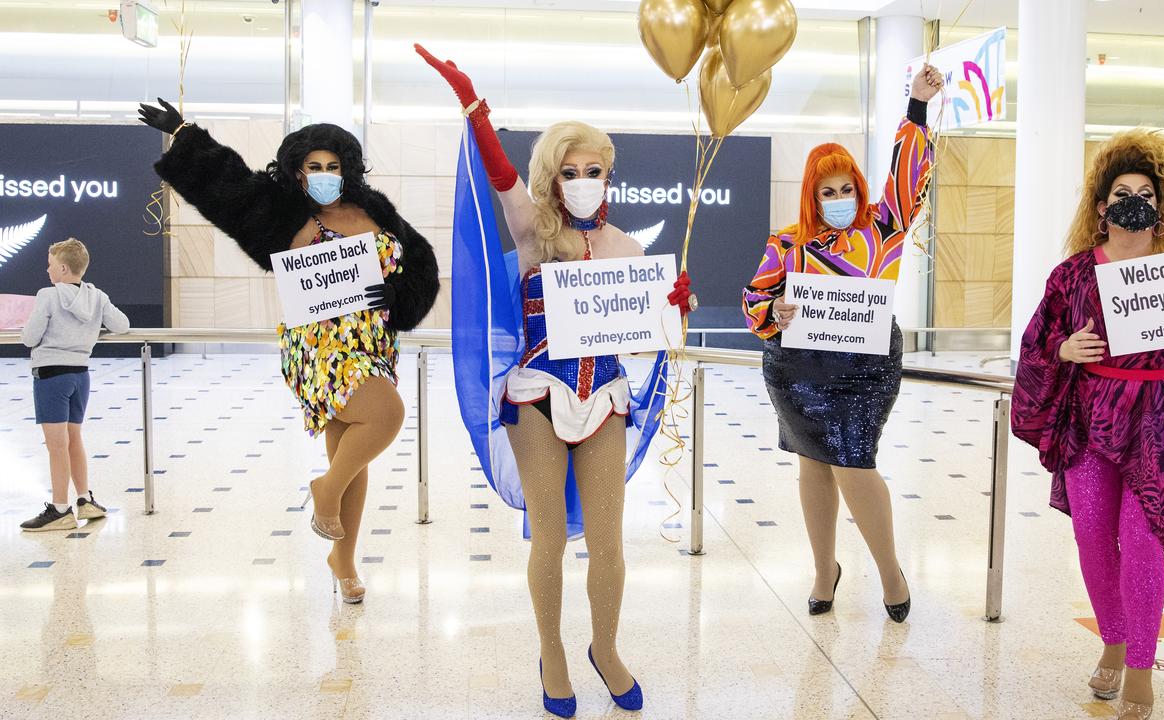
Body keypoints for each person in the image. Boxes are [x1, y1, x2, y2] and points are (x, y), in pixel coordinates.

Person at [416, 44, 693, 718]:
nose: (583, 179)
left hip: (605, 399)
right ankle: (554, 652)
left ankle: (605, 646)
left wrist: (671, 307)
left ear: (609, 174)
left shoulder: (629, 249)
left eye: (593, 169)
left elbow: (655, 337)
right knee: (547, 537)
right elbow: (502, 175)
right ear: (553, 177)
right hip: (537, 396)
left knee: (608, 542)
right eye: (570, 171)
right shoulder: (534, 233)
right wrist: (474, 106)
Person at [138, 99, 440, 604]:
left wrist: (400, 295)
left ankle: (342, 559)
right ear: (297, 172)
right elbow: (226, 186)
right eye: (313, 167)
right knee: (385, 414)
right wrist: (183, 131)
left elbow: (417, 263)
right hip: (320, 343)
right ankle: (324, 490)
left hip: (373, 340)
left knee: (353, 453)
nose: (324, 175)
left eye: (332, 166)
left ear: (347, 167)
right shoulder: (284, 214)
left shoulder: (375, 209)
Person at [1011, 129, 1164, 720]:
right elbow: (1038, 346)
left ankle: (1140, 668)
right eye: (1122, 192)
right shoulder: (1072, 276)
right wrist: (1065, 351)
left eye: (1146, 193)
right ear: (1101, 207)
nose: (1133, 202)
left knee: (1143, 545)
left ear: (1161, 208)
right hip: (1093, 420)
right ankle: (1113, 642)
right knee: (1093, 536)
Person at [741, 65, 941, 622]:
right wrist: (775, 312)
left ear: (857, 187)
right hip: (798, 369)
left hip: (866, 366)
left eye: (845, 188)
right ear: (812, 194)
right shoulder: (787, 242)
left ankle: (890, 572)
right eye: (825, 192)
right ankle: (823, 568)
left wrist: (916, 106)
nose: (837, 198)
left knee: (854, 461)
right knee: (811, 463)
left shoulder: (884, 227)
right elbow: (755, 297)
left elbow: (907, 176)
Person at [20, 238, 130, 531]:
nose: (47, 270)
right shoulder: (97, 296)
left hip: (51, 375)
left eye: (51, 264)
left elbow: (29, 338)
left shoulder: (48, 295)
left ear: (64, 268)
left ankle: (59, 509)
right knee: (74, 439)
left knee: (56, 446)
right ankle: (84, 499)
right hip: (80, 375)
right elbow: (122, 325)